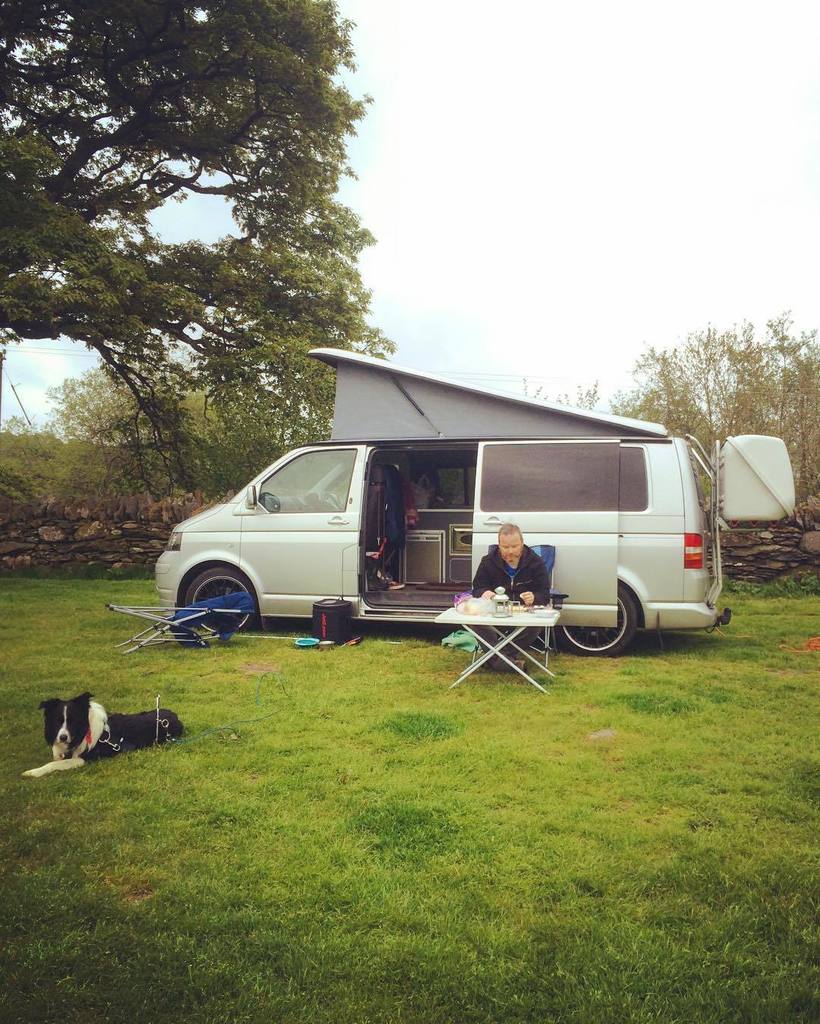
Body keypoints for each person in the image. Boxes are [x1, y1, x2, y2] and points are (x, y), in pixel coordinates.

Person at [471, 523, 550, 671]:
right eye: (505, 547)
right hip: (494, 612)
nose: (510, 551)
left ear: (522, 543)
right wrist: (485, 593)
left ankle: (494, 659)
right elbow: (477, 589)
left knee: (536, 626)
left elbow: (545, 594)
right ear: (499, 545)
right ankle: (505, 662)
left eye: (514, 546)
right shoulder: (487, 561)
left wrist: (534, 597)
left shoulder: (536, 562)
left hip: (523, 613)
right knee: (473, 623)